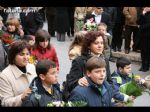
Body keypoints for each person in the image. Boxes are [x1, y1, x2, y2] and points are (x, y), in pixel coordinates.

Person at [63, 31, 112, 101]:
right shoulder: (79, 61)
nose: (100, 46)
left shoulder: (105, 60)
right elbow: (70, 84)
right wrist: (78, 81)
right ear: (88, 45)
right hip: (86, 99)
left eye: (102, 43)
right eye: (96, 43)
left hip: (102, 98)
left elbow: (109, 81)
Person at [0, 40, 37, 106]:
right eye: (21, 54)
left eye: (27, 54)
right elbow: (5, 102)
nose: (26, 57)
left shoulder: (32, 67)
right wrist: (21, 97)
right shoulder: (4, 75)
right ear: (13, 56)